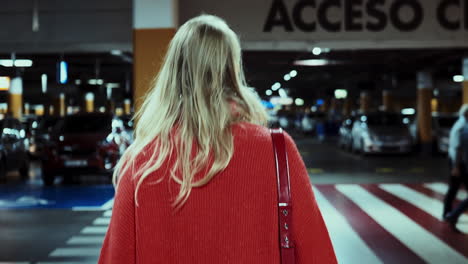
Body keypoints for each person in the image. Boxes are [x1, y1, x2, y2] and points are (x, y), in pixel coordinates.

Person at [98, 15, 337, 264]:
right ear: (232, 70)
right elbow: (317, 253)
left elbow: (117, 257)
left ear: (173, 74)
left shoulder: (143, 162)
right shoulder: (276, 150)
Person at [443, 104, 468, 220]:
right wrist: (456, 167)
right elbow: (458, 148)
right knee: (453, 188)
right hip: (459, 163)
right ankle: (450, 214)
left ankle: (448, 214)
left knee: (453, 188)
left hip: (457, 162)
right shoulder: (462, 127)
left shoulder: (459, 124)